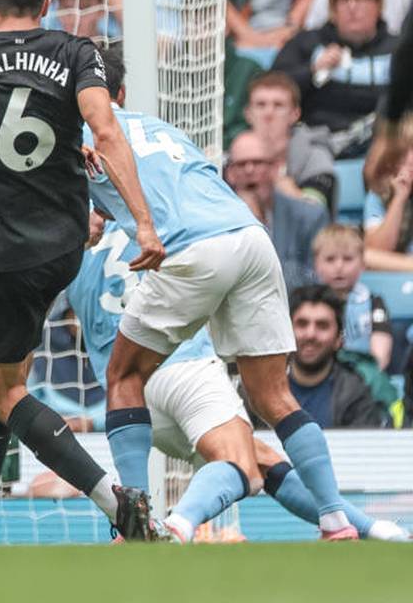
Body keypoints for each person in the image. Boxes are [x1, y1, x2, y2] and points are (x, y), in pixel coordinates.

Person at [0, 0, 165, 543]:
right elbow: (105, 128)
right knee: (11, 366)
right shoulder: (75, 52)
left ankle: (117, 504)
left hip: (2, 247)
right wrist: (141, 222)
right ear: (47, 5)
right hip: (65, 242)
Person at [86, 52, 360, 541]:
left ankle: (135, 525)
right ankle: (336, 519)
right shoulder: (160, 128)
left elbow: (84, 220)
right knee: (272, 395)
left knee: (124, 374)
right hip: (250, 237)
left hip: (193, 250)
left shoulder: (83, 136)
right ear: (122, 95)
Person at [66, 215, 406, 542]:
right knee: (241, 464)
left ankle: (375, 530)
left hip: (126, 396)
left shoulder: (64, 232)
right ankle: (173, 528)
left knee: (262, 459)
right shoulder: (156, 202)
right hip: (183, 363)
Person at [273, 0, 398, 155]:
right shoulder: (307, 42)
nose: (352, 6)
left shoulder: (400, 50)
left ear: (378, 5)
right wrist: (313, 70)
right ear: (333, 8)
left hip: (385, 148)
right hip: (316, 145)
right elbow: (272, 88)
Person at [225, 130, 330, 290]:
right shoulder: (218, 221)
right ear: (230, 174)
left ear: (275, 169)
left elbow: (318, 280)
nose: (249, 170)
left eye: (258, 162)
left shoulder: (309, 217)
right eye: (240, 164)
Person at [284, 285, 390, 428]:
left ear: (339, 339)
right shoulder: (260, 387)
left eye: (322, 325)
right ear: (287, 332)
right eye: (302, 324)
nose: (310, 334)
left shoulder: (357, 393)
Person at [242, 72, 337, 210]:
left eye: (278, 105)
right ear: (248, 114)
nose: (268, 113)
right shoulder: (234, 160)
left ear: (295, 114)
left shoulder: (315, 156)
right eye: (261, 105)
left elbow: (316, 215)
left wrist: (289, 193)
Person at [313, 224, 393, 369]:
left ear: (362, 264)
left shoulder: (374, 302)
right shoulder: (308, 304)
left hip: (363, 377)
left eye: (348, 259)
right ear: (316, 264)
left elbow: (380, 358)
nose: (339, 266)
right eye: (330, 259)